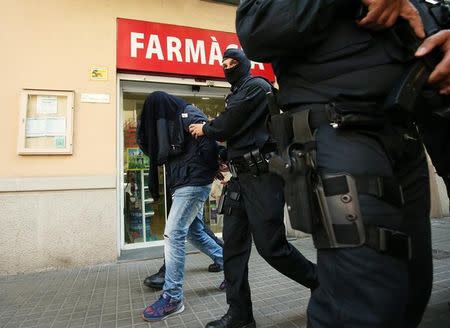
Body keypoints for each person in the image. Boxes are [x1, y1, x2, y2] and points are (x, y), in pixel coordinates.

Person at [236, 0, 450, 327]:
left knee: (412, 290)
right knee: (363, 303)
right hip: (340, 132)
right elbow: (257, 28)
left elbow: (431, 13)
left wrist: (424, 19)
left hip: (405, 132)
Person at [189, 48, 318, 328]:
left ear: (244, 64)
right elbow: (241, 135)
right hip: (238, 180)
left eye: (233, 62)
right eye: (224, 63)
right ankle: (240, 315)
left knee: (272, 247)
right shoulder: (236, 93)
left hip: (262, 177)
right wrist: (224, 158)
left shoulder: (256, 87)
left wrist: (206, 129)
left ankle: (320, 282)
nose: (227, 66)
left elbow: (229, 124)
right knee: (232, 249)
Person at [137, 91, 224, 321]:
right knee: (194, 232)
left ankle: (173, 297)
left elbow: (210, 141)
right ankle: (229, 264)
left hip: (194, 183)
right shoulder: (171, 123)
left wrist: (211, 168)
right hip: (183, 183)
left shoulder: (188, 113)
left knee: (173, 233)